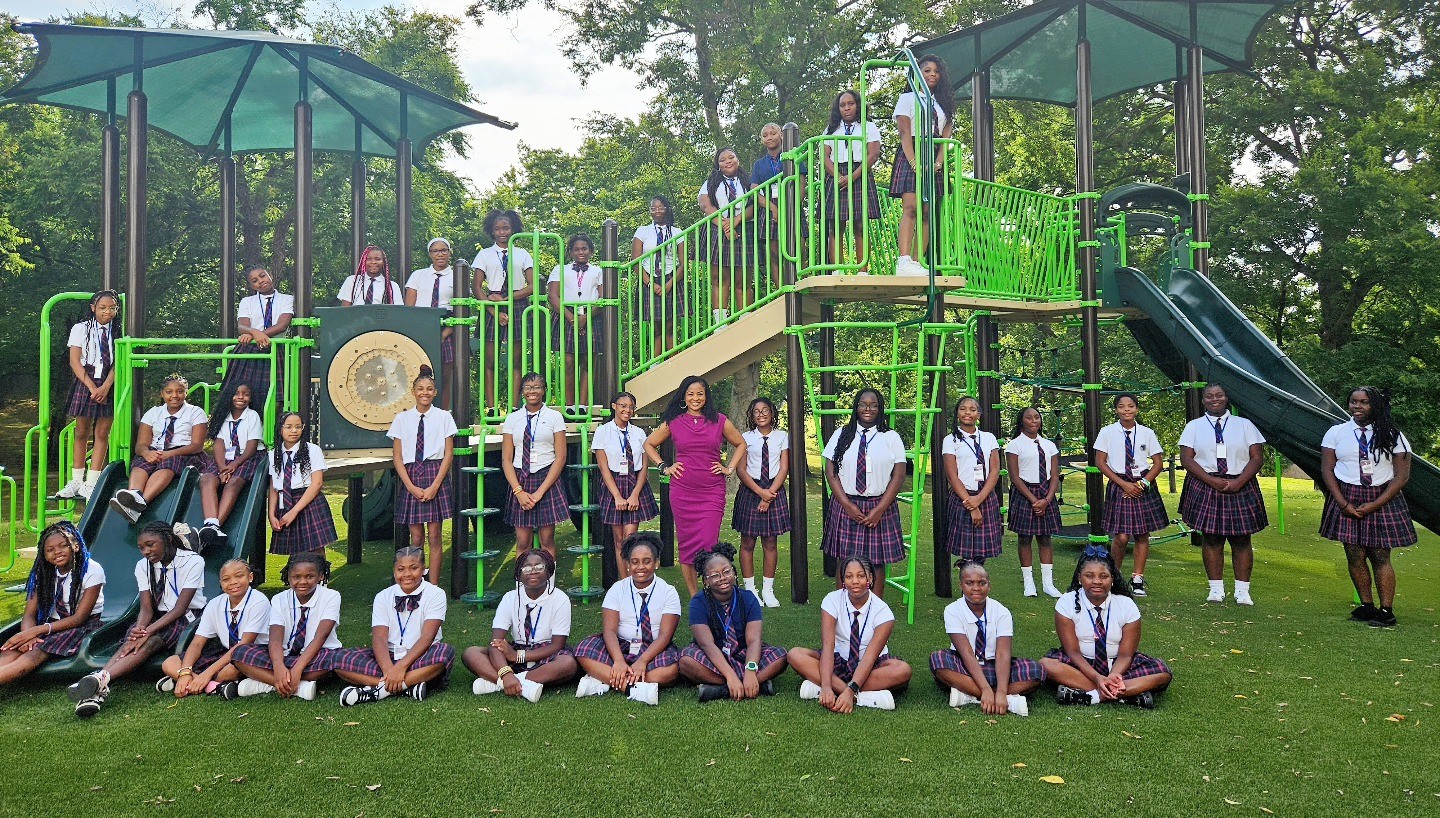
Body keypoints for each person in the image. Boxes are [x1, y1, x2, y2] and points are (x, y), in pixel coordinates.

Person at [66, 521, 206, 718]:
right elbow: (146, 609)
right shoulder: (143, 566)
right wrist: (140, 629)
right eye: (141, 548)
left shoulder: (192, 561)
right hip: (157, 615)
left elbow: (179, 608)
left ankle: (98, 681)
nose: (146, 551)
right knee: (132, 640)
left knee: (149, 642)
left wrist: (147, 632)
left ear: (167, 539)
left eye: (150, 545)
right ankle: (98, 685)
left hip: (185, 617)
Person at [1320, 386, 1416, 628]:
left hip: (1382, 496)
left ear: (1375, 405)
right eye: (1354, 402)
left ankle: (1386, 610)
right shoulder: (1336, 432)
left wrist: (1375, 504)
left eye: (1364, 402)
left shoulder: (1392, 435)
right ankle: (1366, 606)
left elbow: (1401, 477)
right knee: (1354, 553)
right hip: (1347, 495)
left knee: (1380, 555)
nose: (1358, 407)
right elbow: (1327, 469)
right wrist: (1342, 502)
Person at [643, 375, 748, 598]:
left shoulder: (719, 420)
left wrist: (729, 468)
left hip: (712, 491)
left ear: (706, 395)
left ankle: (710, 591)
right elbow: (649, 443)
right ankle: (695, 597)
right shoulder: (674, 420)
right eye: (690, 394)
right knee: (687, 545)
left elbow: (741, 443)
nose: (695, 398)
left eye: (700, 393)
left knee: (709, 544)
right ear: (684, 396)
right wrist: (664, 466)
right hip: (683, 492)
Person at [1041, 546, 1172, 709]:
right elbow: (1072, 652)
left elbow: (1125, 655)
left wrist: (1114, 676)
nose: (1097, 581)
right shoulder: (1066, 603)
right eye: (1089, 576)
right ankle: (1126, 695)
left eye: (1104, 576)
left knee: (1162, 672)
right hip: (1080, 663)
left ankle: (1089, 695)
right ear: (1080, 578)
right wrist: (1097, 678)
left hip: (1118, 665)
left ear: (1112, 579)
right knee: (1046, 664)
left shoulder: (1126, 605)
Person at [1178, 384, 1268, 605]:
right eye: (1209, 396)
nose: (1214, 399)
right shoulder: (1194, 426)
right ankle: (1216, 589)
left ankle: (1242, 591)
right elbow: (1187, 459)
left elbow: (1256, 457)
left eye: (1219, 395)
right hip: (1206, 483)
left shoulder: (1244, 425)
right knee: (1211, 538)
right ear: (1203, 401)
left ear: (1227, 398)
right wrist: (1212, 481)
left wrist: (1239, 482)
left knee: (1241, 538)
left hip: (1241, 482)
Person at [787, 556, 913, 712]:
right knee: (795, 654)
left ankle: (837, 690)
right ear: (843, 580)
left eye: (861, 576)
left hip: (871, 666)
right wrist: (826, 687)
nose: (855, 581)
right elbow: (828, 645)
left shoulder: (883, 612)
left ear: (870, 578)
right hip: (837, 661)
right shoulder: (832, 600)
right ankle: (863, 697)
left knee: (902, 670)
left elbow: (869, 657)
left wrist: (850, 690)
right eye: (849, 576)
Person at [572, 533, 682, 705]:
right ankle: (632, 688)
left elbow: (665, 636)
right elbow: (609, 631)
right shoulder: (617, 589)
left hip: (653, 648)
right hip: (620, 645)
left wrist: (642, 661)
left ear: (656, 563)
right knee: (583, 649)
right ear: (628, 564)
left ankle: (605, 680)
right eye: (635, 562)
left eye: (647, 561)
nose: (640, 567)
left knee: (672, 670)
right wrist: (618, 661)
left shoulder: (668, 592)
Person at [335, 548, 454, 705]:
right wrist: (389, 670)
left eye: (414, 568)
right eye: (400, 569)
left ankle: (379, 690)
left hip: (420, 656)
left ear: (424, 568)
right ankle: (408, 686)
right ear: (394, 571)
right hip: (388, 657)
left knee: (445, 653)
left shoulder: (436, 594)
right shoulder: (383, 596)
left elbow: (427, 636)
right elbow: (379, 637)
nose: (407, 574)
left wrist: (401, 667)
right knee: (338, 659)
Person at [820, 388, 907, 595]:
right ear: (856, 407)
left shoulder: (891, 437)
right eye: (863, 404)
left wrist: (879, 510)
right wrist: (848, 505)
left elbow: (899, 476)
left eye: (874, 405)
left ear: (880, 408)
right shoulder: (841, 434)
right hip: (845, 504)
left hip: (879, 505)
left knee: (876, 561)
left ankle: (875, 610)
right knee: (845, 559)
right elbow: (830, 472)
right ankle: (843, 607)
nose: (868, 409)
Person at [930, 560, 1044, 716]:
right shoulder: (952, 610)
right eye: (969, 583)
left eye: (981, 583)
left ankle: (972, 696)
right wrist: (984, 689)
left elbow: (1003, 654)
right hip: (965, 665)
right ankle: (998, 697)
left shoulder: (1002, 612)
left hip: (995, 666)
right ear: (961, 585)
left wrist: (1002, 692)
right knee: (939, 661)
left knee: (1036, 670)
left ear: (989, 585)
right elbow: (966, 653)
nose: (976, 588)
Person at [678, 543, 788, 702]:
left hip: (744, 654)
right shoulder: (698, 602)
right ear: (706, 581)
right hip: (713, 656)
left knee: (781, 656)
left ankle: (721, 689)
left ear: (734, 573)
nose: (722, 578)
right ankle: (745, 685)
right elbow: (707, 644)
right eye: (714, 575)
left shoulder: (748, 598)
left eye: (726, 571)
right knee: (686, 661)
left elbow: (754, 640)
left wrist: (750, 671)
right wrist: (730, 676)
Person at [465, 548, 578, 701]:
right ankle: (513, 683)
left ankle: (499, 683)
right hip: (515, 649)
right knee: (471, 653)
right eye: (526, 567)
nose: (533, 571)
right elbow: (496, 642)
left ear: (549, 572)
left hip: (546, 651)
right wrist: (506, 673)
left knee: (568, 664)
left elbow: (557, 645)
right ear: (519, 574)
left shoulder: (560, 599)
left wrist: (518, 656)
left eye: (539, 567)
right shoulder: (509, 598)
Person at [0, 521, 105, 685]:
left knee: (34, 653)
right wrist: (28, 636)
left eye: (63, 546)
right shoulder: (43, 573)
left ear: (75, 546)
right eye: (50, 550)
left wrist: (36, 631)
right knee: (12, 649)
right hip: (50, 624)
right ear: (44, 554)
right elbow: (29, 614)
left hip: (81, 626)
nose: (57, 552)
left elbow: (80, 618)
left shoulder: (91, 569)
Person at [230, 552, 342, 699]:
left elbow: (321, 637)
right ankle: (296, 686)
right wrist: (278, 668)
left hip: (317, 655)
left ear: (320, 576)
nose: (302, 582)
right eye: (296, 577)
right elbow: (275, 639)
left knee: (337, 660)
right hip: (285, 655)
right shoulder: (278, 599)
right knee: (239, 653)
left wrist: (298, 668)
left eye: (309, 576)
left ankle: (265, 683)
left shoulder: (331, 596)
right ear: (288, 577)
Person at [157, 559, 269, 698]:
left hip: (250, 652)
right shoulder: (215, 603)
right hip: (226, 651)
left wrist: (206, 674)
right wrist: (185, 672)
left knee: (230, 671)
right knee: (169, 663)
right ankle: (208, 685)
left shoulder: (259, 601)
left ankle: (188, 682)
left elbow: (244, 643)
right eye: (226, 579)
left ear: (250, 577)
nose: (233, 582)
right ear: (221, 583)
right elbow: (198, 643)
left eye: (239, 576)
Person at [108, 373, 208, 524]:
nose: (174, 395)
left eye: (180, 391)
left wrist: (169, 454)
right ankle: (134, 494)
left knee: (169, 464)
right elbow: (140, 445)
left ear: (186, 392)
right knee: (141, 463)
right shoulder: (153, 413)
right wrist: (147, 452)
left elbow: (197, 445)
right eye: (169, 392)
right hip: (156, 450)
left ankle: (141, 502)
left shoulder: (195, 412)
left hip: (183, 452)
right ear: (162, 394)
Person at [1093, 393, 1167, 596]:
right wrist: (1124, 485)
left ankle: (1137, 579)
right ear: (1116, 410)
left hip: (1143, 482)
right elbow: (1100, 462)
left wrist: (1142, 484)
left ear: (1137, 409)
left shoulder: (1146, 432)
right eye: (1122, 406)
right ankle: (1114, 577)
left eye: (1131, 406)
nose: (1127, 409)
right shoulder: (1107, 432)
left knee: (1142, 533)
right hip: (1119, 482)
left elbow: (1157, 462)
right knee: (1122, 536)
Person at [389, 366, 457, 585]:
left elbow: (448, 454)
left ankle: (434, 586)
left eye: (429, 389)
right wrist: (410, 486)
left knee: (435, 536)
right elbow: (398, 457)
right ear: (413, 391)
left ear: (435, 392)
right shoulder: (402, 419)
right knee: (416, 537)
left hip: (434, 473)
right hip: (411, 476)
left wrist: (436, 485)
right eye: (420, 389)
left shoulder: (444, 417)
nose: (424, 392)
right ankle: (416, 583)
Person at [890, 54, 955, 277]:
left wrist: (939, 161)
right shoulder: (908, 98)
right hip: (914, 150)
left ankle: (918, 261)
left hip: (933, 152)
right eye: (927, 70)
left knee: (927, 211)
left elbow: (946, 137)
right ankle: (904, 260)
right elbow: (904, 132)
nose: (932, 74)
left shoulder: (943, 103)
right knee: (911, 207)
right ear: (918, 74)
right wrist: (913, 161)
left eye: (936, 71)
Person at [56, 290, 119, 501]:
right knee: (81, 430)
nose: (107, 312)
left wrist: (106, 386)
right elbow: (74, 360)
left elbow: (119, 362)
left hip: (109, 380)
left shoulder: (118, 331)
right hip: (87, 379)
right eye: (103, 308)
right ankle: (76, 480)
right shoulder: (81, 328)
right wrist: (92, 388)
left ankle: (91, 483)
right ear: (93, 308)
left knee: (102, 433)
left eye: (112, 308)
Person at [500, 373, 570, 559]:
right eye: (528, 387)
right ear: (522, 391)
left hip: (547, 477)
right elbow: (507, 459)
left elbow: (560, 457)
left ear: (544, 390)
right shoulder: (512, 419)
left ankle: (549, 586)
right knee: (523, 542)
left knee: (547, 541)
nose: (533, 391)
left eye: (537, 387)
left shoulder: (555, 417)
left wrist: (540, 493)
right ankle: (521, 586)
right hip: (520, 479)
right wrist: (518, 491)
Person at [472, 210, 535, 407]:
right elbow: (476, 287)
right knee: (490, 359)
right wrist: (494, 309)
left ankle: (515, 405)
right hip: (492, 302)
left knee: (517, 360)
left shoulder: (523, 254)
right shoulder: (484, 254)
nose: (502, 232)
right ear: (491, 230)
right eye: (497, 228)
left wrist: (506, 299)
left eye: (506, 228)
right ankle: (491, 408)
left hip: (516, 302)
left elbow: (533, 286)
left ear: (513, 228)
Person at [731, 397, 790, 607]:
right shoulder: (745, 438)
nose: (761, 414)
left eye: (765, 410)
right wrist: (760, 493)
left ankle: (768, 590)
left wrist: (769, 493)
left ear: (772, 413)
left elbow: (784, 468)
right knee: (747, 542)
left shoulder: (783, 437)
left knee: (771, 542)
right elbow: (741, 469)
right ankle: (750, 591)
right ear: (751, 415)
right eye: (756, 411)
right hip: (751, 489)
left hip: (774, 489)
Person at [593, 391, 659, 573]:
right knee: (619, 539)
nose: (627, 410)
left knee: (630, 537)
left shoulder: (639, 433)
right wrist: (616, 496)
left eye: (631, 407)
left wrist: (635, 494)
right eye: (623, 406)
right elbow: (603, 467)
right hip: (613, 484)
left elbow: (644, 466)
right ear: (614, 406)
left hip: (634, 483)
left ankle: (634, 579)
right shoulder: (603, 431)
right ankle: (624, 582)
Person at [196, 382, 265, 551]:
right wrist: (221, 468)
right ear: (229, 396)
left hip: (246, 457)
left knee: (233, 483)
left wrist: (233, 466)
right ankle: (211, 523)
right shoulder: (222, 416)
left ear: (250, 398)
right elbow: (218, 444)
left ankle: (215, 526)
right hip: (224, 459)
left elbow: (251, 447)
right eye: (237, 393)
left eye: (245, 394)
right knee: (206, 479)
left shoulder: (253, 416)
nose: (241, 397)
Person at [1004, 407, 1064, 597]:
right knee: (1024, 538)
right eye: (1029, 418)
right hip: (1025, 494)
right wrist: (1033, 500)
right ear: (1021, 421)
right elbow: (1014, 476)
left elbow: (1055, 475)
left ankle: (1048, 583)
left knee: (1045, 538)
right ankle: (1029, 583)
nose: (1033, 421)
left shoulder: (1049, 445)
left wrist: (1046, 500)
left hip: (1046, 492)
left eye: (1037, 417)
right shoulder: (1014, 445)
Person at [821, 89, 882, 272]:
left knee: (860, 224)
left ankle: (862, 270)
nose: (846, 108)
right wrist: (838, 176)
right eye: (842, 105)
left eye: (850, 104)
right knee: (835, 225)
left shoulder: (868, 126)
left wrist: (853, 176)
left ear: (857, 105)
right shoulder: (831, 129)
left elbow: (873, 154)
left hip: (860, 172)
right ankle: (837, 269)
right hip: (836, 174)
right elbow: (824, 156)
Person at [697, 147, 756, 327]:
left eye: (731, 157)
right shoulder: (711, 182)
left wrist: (735, 221)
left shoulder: (748, 180)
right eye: (723, 159)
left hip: (743, 227)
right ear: (718, 164)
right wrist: (725, 224)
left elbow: (754, 204)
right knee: (719, 278)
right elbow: (705, 206)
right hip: (717, 228)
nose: (728, 161)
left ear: (738, 160)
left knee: (743, 278)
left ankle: (745, 319)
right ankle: (720, 323)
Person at [941, 396, 1003, 563]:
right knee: (966, 552)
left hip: (985, 496)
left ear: (979, 415)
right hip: (963, 498)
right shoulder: (950, 440)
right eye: (963, 409)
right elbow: (952, 476)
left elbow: (995, 470)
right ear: (957, 414)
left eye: (972, 409)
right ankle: (966, 588)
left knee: (982, 552)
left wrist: (979, 499)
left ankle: (978, 587)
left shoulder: (989, 437)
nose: (967, 412)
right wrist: (971, 504)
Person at [267, 411, 337, 556]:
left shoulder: (312, 450)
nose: (294, 431)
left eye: (298, 427)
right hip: (284, 500)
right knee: (294, 549)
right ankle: (295, 578)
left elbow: (317, 483)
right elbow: (274, 487)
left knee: (315, 548)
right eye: (289, 427)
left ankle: (321, 579)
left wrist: (294, 511)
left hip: (308, 501)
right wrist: (271, 514)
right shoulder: (273, 454)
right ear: (280, 429)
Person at [546, 233, 602, 412]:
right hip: (566, 313)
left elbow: (603, 298)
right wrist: (571, 318)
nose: (581, 252)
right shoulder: (559, 269)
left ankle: (583, 404)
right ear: (570, 252)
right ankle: (570, 405)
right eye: (576, 249)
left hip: (590, 314)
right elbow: (553, 296)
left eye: (584, 249)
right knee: (569, 360)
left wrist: (586, 318)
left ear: (591, 251)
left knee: (588, 360)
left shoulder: (598, 271)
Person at [225, 264, 293, 413]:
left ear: (270, 275)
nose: (260, 281)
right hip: (249, 349)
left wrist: (257, 334)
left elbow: (282, 325)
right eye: (255, 280)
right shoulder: (247, 302)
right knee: (240, 393)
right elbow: (242, 327)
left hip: (274, 347)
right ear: (252, 286)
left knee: (276, 396)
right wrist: (254, 332)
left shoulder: (287, 299)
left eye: (262, 276)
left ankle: (271, 432)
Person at [405, 237, 457, 408]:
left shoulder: (457, 275)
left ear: (449, 252)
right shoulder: (418, 275)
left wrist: (445, 332)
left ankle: (444, 412)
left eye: (444, 250)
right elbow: (409, 307)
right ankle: (419, 411)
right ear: (430, 254)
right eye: (435, 251)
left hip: (448, 323)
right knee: (418, 369)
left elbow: (462, 307)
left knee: (444, 376)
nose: (440, 254)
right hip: (421, 324)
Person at [632, 196, 687, 354]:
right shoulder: (642, 231)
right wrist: (651, 284)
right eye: (653, 208)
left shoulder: (677, 232)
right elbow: (635, 261)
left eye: (661, 207)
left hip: (672, 278)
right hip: (649, 279)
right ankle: (654, 365)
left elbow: (683, 264)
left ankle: (673, 362)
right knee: (655, 326)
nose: (657, 211)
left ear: (667, 209)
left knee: (670, 325)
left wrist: (669, 285)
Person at [337, 245, 403, 306]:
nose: (373, 262)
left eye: (377, 259)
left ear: (383, 262)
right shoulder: (352, 281)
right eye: (368, 259)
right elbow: (345, 310)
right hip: (356, 318)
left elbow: (396, 312)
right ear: (364, 261)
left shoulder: (392, 286)